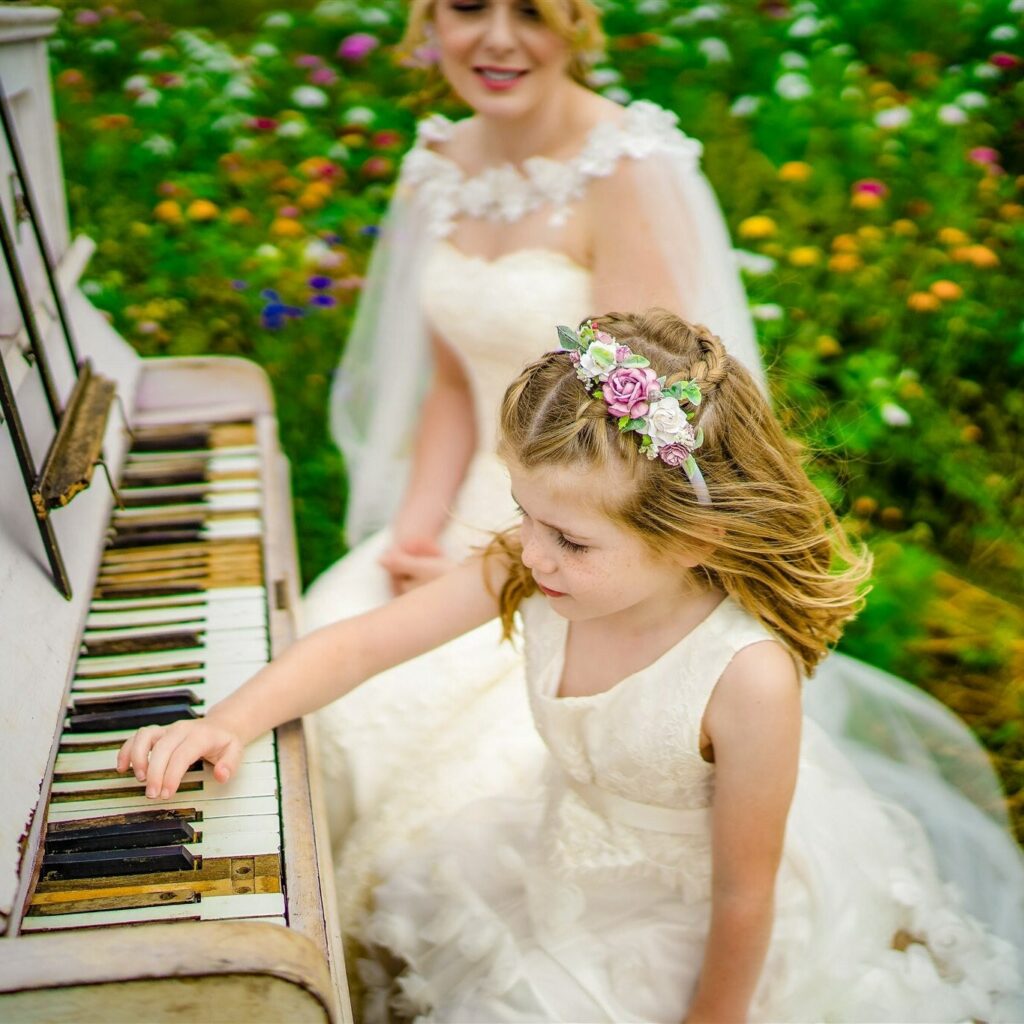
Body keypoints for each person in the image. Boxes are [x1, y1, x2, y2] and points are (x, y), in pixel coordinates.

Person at [119, 311, 1023, 1023]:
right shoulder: (535, 561)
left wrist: (710, 1018)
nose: (534, 555)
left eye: (572, 540)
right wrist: (227, 720)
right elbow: (361, 643)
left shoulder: (745, 677)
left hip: (692, 926)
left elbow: (745, 892)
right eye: (525, 514)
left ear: (693, 535)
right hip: (558, 860)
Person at [301, 0, 763, 924]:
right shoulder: (434, 166)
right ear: (429, 19)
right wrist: (415, 533)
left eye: (534, 11)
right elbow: (448, 389)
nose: (499, 38)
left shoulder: (627, 168)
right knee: (319, 667)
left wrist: (512, 555)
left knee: (465, 797)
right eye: (469, 8)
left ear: (577, 24)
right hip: (463, 509)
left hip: (585, 531)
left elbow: (633, 441)